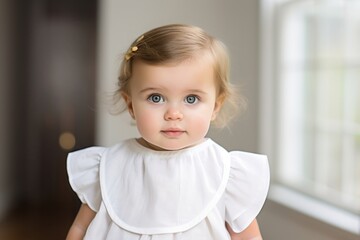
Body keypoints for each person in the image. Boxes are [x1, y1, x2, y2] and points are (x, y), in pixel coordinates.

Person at [66, 24, 269, 240]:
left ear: (215, 107)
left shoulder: (225, 173)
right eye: (156, 98)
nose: (174, 114)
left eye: (191, 99)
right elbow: (80, 228)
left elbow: (248, 237)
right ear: (131, 105)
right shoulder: (108, 166)